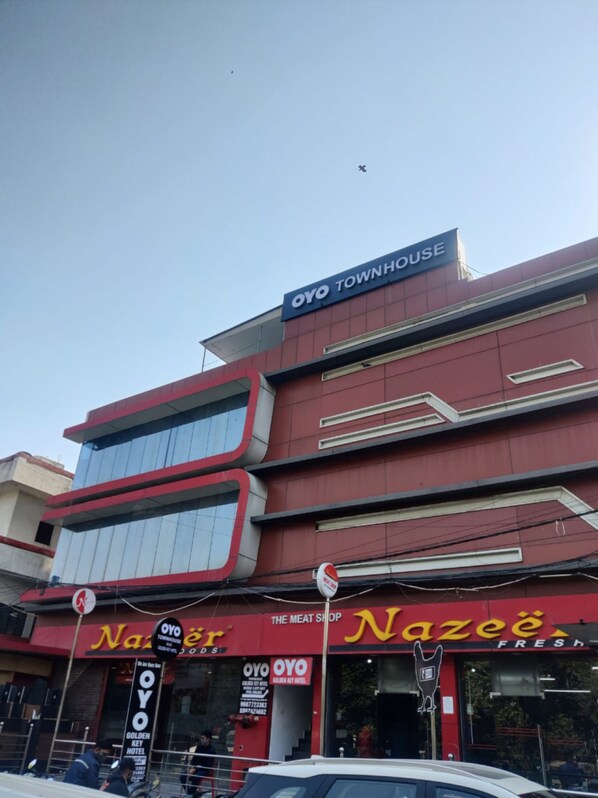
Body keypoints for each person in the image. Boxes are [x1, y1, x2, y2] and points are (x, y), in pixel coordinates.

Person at [180, 730, 216, 796]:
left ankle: (190, 794)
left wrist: (195, 769)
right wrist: (191, 768)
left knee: (196, 777)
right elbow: (194, 760)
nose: (201, 740)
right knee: (183, 776)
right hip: (195, 768)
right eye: (201, 738)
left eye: (203, 738)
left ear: (208, 739)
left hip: (204, 770)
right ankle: (190, 793)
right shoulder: (199, 747)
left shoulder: (211, 750)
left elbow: (207, 766)